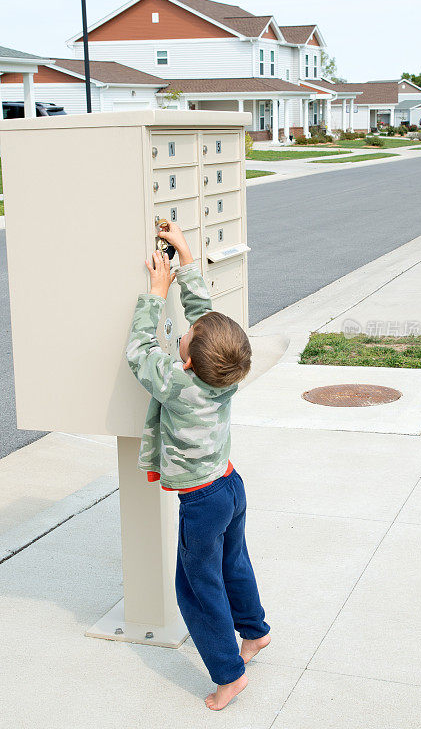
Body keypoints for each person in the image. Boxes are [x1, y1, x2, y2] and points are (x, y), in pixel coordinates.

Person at [126, 222, 271, 711]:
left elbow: (139, 354)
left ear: (185, 360)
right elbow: (206, 319)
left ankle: (229, 675)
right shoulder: (226, 374)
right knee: (235, 563)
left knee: (196, 587)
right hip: (230, 485)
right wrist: (185, 258)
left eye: (185, 337)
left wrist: (155, 292)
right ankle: (254, 633)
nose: (186, 328)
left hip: (203, 501)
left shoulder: (177, 383)